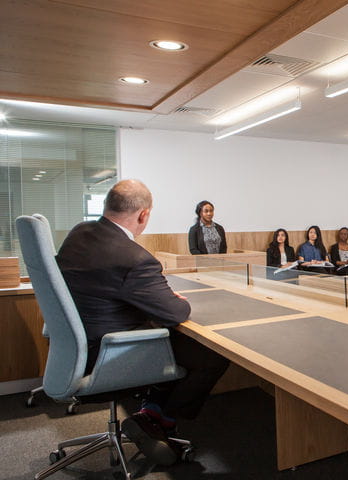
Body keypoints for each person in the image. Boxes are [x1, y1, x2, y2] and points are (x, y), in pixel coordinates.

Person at [56, 180, 229, 466]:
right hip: (110, 353)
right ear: (143, 215)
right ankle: (159, 419)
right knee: (210, 354)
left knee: (176, 342)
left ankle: (152, 409)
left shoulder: (79, 233)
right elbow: (175, 313)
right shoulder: (134, 257)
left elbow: (104, 285)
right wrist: (169, 296)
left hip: (77, 347)